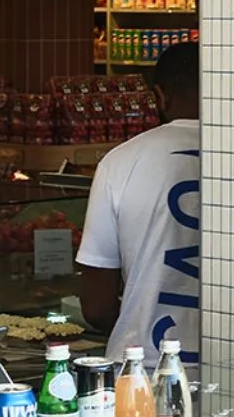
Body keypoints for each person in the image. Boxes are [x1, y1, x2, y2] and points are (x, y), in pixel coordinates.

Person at [77, 41, 200, 366]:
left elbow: (97, 306)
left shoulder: (120, 162)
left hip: (140, 365)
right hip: (233, 368)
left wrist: (138, 317)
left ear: (160, 96)